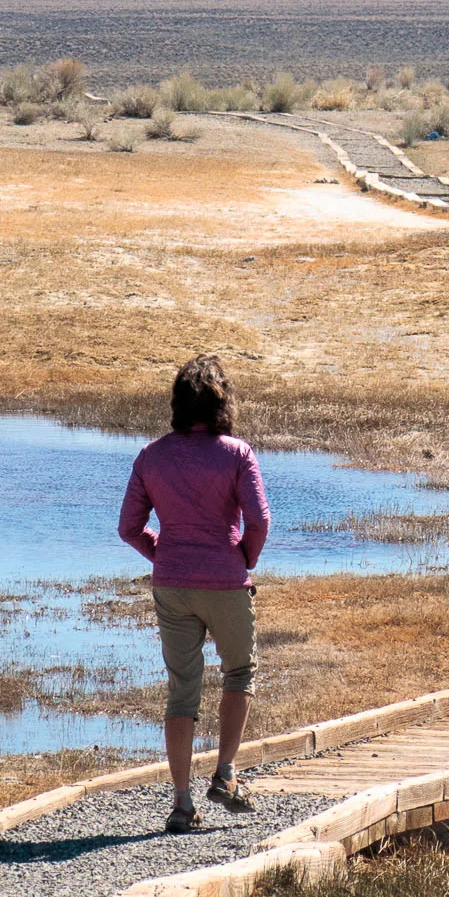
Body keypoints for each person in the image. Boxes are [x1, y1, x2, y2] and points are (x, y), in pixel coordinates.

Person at [117, 353, 271, 833]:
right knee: (239, 671)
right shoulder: (237, 454)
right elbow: (260, 521)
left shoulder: (151, 456)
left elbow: (129, 528)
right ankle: (225, 774)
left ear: (178, 403)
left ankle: (182, 803)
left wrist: (163, 554)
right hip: (225, 581)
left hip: (172, 584)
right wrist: (243, 559)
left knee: (181, 691)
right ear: (224, 403)